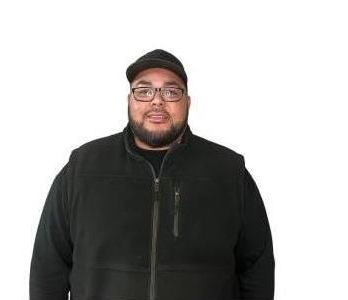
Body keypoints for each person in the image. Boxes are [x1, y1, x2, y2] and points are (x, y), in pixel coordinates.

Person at [29, 49, 275, 300]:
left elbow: (257, 268)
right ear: (129, 100)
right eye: (144, 91)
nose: (157, 101)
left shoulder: (228, 171)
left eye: (170, 91)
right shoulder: (82, 168)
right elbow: (48, 268)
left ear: (187, 102)